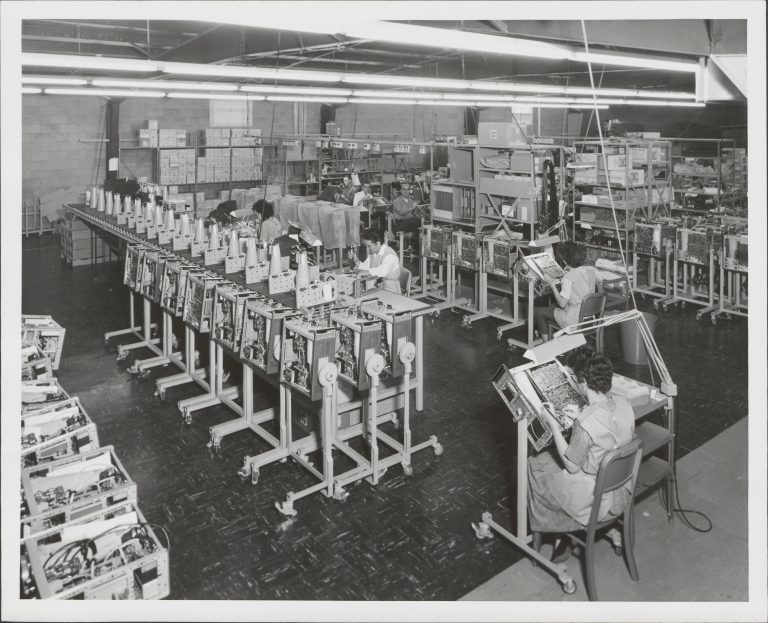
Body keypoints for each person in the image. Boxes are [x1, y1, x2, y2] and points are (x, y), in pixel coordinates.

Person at [527, 350, 636, 561]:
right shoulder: (624, 404)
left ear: (584, 383)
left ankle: (561, 533)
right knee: (551, 467)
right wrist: (581, 416)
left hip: (600, 502)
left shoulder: (587, 422)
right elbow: (610, 433)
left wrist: (553, 425)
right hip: (624, 491)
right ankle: (591, 532)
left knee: (536, 464)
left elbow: (571, 466)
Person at [533, 241, 596, 340]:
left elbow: (562, 304)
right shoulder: (590, 272)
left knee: (538, 311)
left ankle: (547, 346)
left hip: (575, 321)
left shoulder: (568, 278)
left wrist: (553, 285)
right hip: (590, 319)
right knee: (553, 307)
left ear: (565, 260)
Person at [353, 228, 401, 294]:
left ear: (378, 243)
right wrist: (355, 259)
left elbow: (382, 271)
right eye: (366, 246)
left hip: (391, 289)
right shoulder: (374, 253)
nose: (368, 249)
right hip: (379, 286)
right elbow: (364, 267)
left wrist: (361, 273)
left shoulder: (390, 255)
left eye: (369, 246)